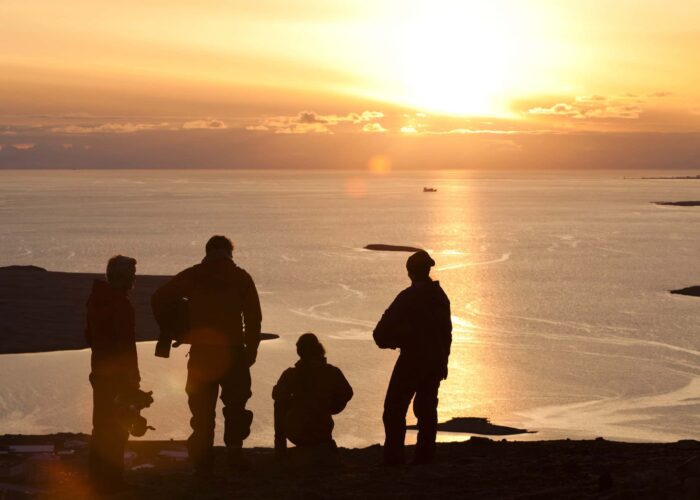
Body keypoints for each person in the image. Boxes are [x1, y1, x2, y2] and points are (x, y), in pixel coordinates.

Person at [151, 235, 262, 475]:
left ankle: (203, 459)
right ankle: (234, 453)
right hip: (233, 352)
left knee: (202, 408)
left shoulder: (194, 275)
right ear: (229, 252)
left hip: (202, 353)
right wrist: (251, 351)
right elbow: (253, 318)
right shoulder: (241, 277)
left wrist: (173, 327)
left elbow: (159, 297)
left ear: (208, 251)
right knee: (236, 406)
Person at [373, 250, 452, 465]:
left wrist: (399, 340)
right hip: (434, 362)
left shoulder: (407, 299)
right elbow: (447, 334)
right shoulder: (440, 297)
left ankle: (394, 458)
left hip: (412, 361)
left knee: (394, 410)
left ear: (410, 272)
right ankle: (424, 458)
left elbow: (380, 334)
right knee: (426, 412)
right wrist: (443, 362)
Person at [85, 255, 141, 493]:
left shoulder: (96, 301)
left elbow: (90, 336)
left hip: (99, 372)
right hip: (118, 377)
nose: (134, 278)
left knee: (101, 426)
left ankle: (96, 478)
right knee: (118, 428)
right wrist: (133, 380)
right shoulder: (121, 305)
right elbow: (126, 346)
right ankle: (113, 481)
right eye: (132, 274)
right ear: (125, 278)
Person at [272, 333, 353, 456]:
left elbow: (276, 394)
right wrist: (330, 406)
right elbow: (347, 393)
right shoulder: (332, 372)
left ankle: (280, 449)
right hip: (323, 432)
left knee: (280, 403)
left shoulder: (290, 375)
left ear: (299, 351)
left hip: (297, 434)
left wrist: (296, 401)